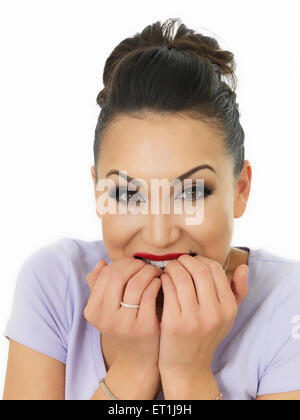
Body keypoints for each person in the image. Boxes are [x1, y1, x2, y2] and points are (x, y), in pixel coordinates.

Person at [3, 17, 300, 400]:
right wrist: (131, 369)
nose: (160, 235)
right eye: (128, 195)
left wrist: (187, 375)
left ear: (240, 190)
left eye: (192, 192)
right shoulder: (54, 282)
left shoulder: (289, 303)